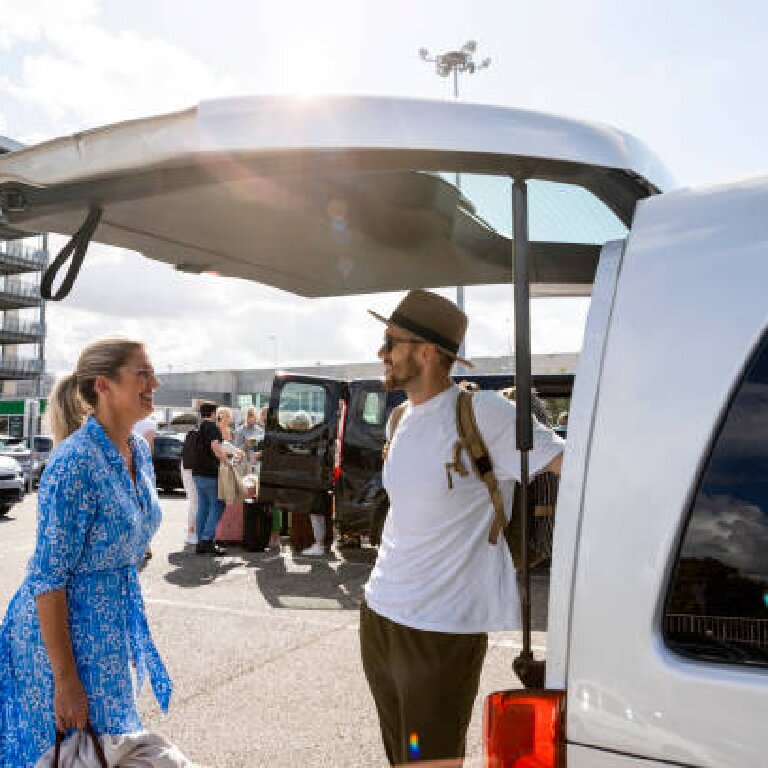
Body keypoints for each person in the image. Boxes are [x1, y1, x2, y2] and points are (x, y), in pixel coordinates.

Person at [360, 290, 564, 767]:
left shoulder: (483, 413)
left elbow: (571, 466)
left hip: (442, 628)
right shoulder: (400, 418)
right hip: (380, 616)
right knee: (402, 760)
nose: (381, 351)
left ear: (427, 352)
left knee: (433, 762)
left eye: (390, 340)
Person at [0, 337, 172, 767]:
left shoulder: (139, 452)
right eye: (143, 373)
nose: (156, 381)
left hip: (108, 632)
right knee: (67, 753)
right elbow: (47, 578)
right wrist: (65, 679)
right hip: (59, 641)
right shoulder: (74, 464)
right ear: (104, 385)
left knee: (103, 751)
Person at [192, 402, 230, 555]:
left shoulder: (199, 427)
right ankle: (207, 540)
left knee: (203, 506)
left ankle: (200, 540)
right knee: (218, 504)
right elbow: (215, 446)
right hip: (210, 473)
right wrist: (225, 460)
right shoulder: (213, 427)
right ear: (213, 413)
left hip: (197, 473)